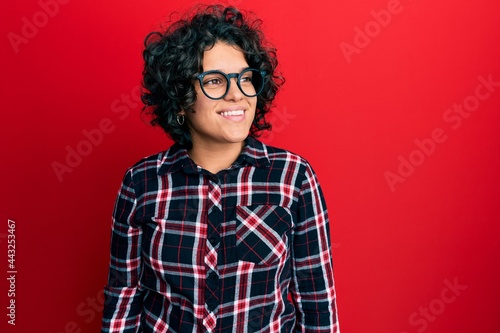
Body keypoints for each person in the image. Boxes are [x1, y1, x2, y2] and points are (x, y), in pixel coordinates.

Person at [101, 4, 339, 333]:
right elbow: (124, 298)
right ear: (181, 99)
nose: (236, 95)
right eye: (214, 81)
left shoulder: (293, 178)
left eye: (245, 79)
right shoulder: (141, 183)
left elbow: (317, 305)